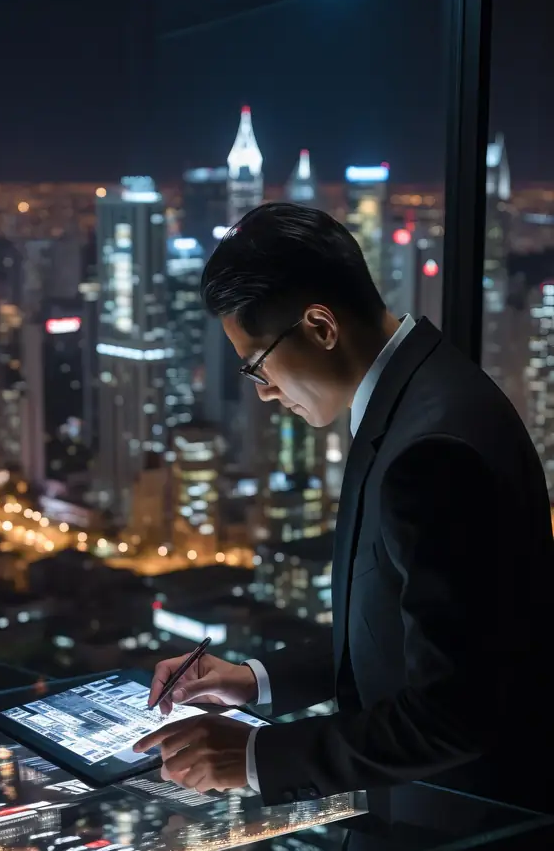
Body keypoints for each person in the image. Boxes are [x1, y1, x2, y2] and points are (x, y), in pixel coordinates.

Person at [135, 202, 553, 814]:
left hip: (458, 834)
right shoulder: (416, 394)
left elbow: (455, 714)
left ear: (320, 327)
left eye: (257, 364)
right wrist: (254, 681)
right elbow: (408, 630)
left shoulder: (429, 449)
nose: (264, 391)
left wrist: (252, 759)